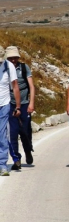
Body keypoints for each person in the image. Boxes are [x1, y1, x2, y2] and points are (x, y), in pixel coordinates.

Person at [6, 46, 35, 171]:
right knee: (12, 133)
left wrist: (31, 103)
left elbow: (32, 87)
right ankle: (16, 160)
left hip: (24, 103)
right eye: (11, 58)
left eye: (15, 57)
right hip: (9, 104)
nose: (13, 60)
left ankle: (28, 150)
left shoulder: (24, 68)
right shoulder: (3, 70)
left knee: (25, 132)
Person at [0, 47, 21, 176]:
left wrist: (18, 106)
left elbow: (15, 86)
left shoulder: (9, 66)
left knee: (2, 135)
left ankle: (2, 164)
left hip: (4, 104)